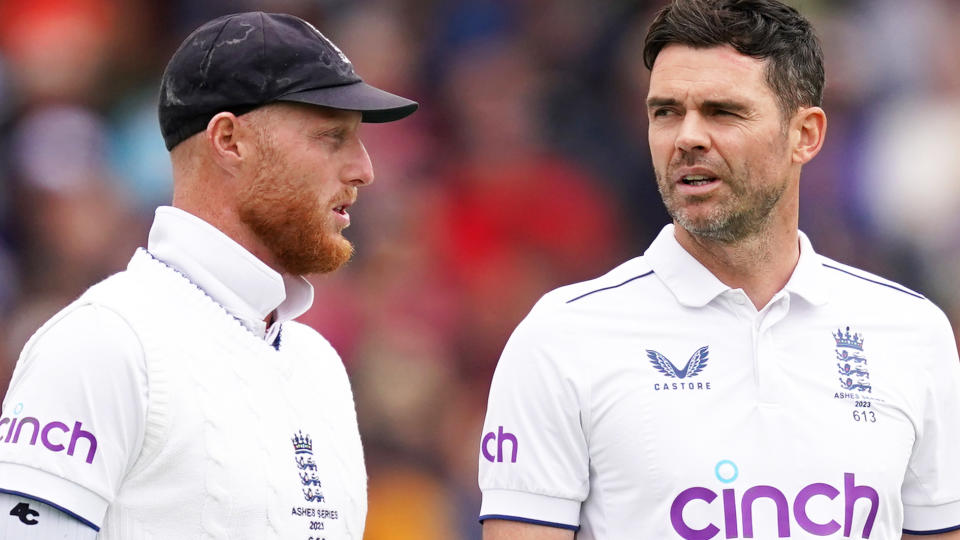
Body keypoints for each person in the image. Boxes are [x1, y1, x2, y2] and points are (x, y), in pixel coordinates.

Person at [477, 1, 960, 539]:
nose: (687, 137)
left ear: (806, 134)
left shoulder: (914, 333)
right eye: (665, 112)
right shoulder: (561, 337)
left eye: (722, 111)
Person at [0, 11, 416, 539]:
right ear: (229, 140)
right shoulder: (105, 342)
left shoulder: (320, 366)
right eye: (331, 137)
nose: (364, 169)